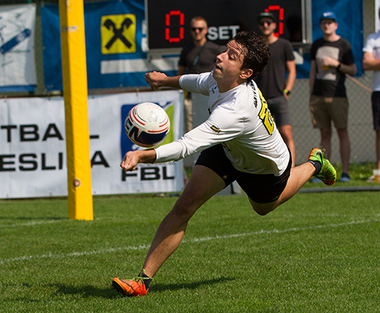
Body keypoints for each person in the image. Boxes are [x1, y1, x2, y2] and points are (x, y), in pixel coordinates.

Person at [112, 31, 337, 297]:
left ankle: (314, 164)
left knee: (263, 208)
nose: (220, 56)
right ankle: (142, 281)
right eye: (225, 50)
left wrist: (142, 155)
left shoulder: (236, 110)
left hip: (265, 168)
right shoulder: (222, 78)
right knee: (184, 206)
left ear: (245, 73)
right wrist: (164, 81)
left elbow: (187, 145)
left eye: (231, 56)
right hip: (228, 150)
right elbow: (196, 81)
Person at [309, 12, 357, 182]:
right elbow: (313, 71)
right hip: (318, 96)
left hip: (338, 95)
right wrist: (311, 94)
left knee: (342, 132)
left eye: (330, 22)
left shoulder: (344, 44)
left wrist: (335, 64)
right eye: (324, 22)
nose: (326, 25)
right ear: (321, 26)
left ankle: (345, 172)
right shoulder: (316, 44)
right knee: (325, 134)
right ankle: (324, 171)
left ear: (336, 25)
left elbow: (353, 69)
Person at [255, 12, 297, 166]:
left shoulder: (284, 45)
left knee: (286, 134)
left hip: (280, 97)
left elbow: (292, 70)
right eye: (262, 23)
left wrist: (287, 92)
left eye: (268, 22)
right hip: (260, 99)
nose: (265, 25)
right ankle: (271, 169)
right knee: (263, 137)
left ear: (274, 25)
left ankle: (291, 168)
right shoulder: (256, 47)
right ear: (259, 26)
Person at [178, 16, 221, 133]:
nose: (197, 31)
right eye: (194, 29)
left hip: (212, 95)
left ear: (206, 30)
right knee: (191, 131)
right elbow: (180, 73)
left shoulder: (215, 49)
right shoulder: (186, 50)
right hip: (192, 97)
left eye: (200, 29)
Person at [362, 7, 380, 181]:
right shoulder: (372, 38)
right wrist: (373, 62)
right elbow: (366, 64)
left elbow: (372, 61)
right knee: (379, 132)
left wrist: (376, 61)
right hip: (378, 91)